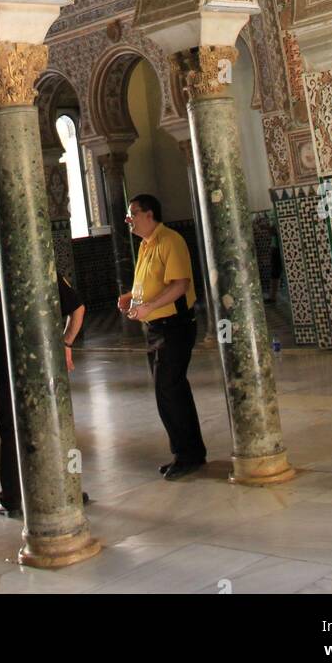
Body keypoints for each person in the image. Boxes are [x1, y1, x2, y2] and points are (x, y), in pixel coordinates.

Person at [0, 262, 85, 518]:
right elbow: (78, 308)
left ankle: (12, 498)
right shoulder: (40, 265)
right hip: (43, 359)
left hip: (6, 360)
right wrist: (66, 342)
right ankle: (69, 489)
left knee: (10, 429)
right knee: (55, 425)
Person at [117, 194, 206, 480]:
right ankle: (185, 451)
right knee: (167, 390)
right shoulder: (145, 245)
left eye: (133, 213)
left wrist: (150, 307)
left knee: (170, 389)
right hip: (156, 328)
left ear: (150, 214)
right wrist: (131, 297)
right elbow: (149, 284)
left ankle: (189, 455)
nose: (128, 219)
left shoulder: (170, 240)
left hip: (174, 326)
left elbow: (180, 285)